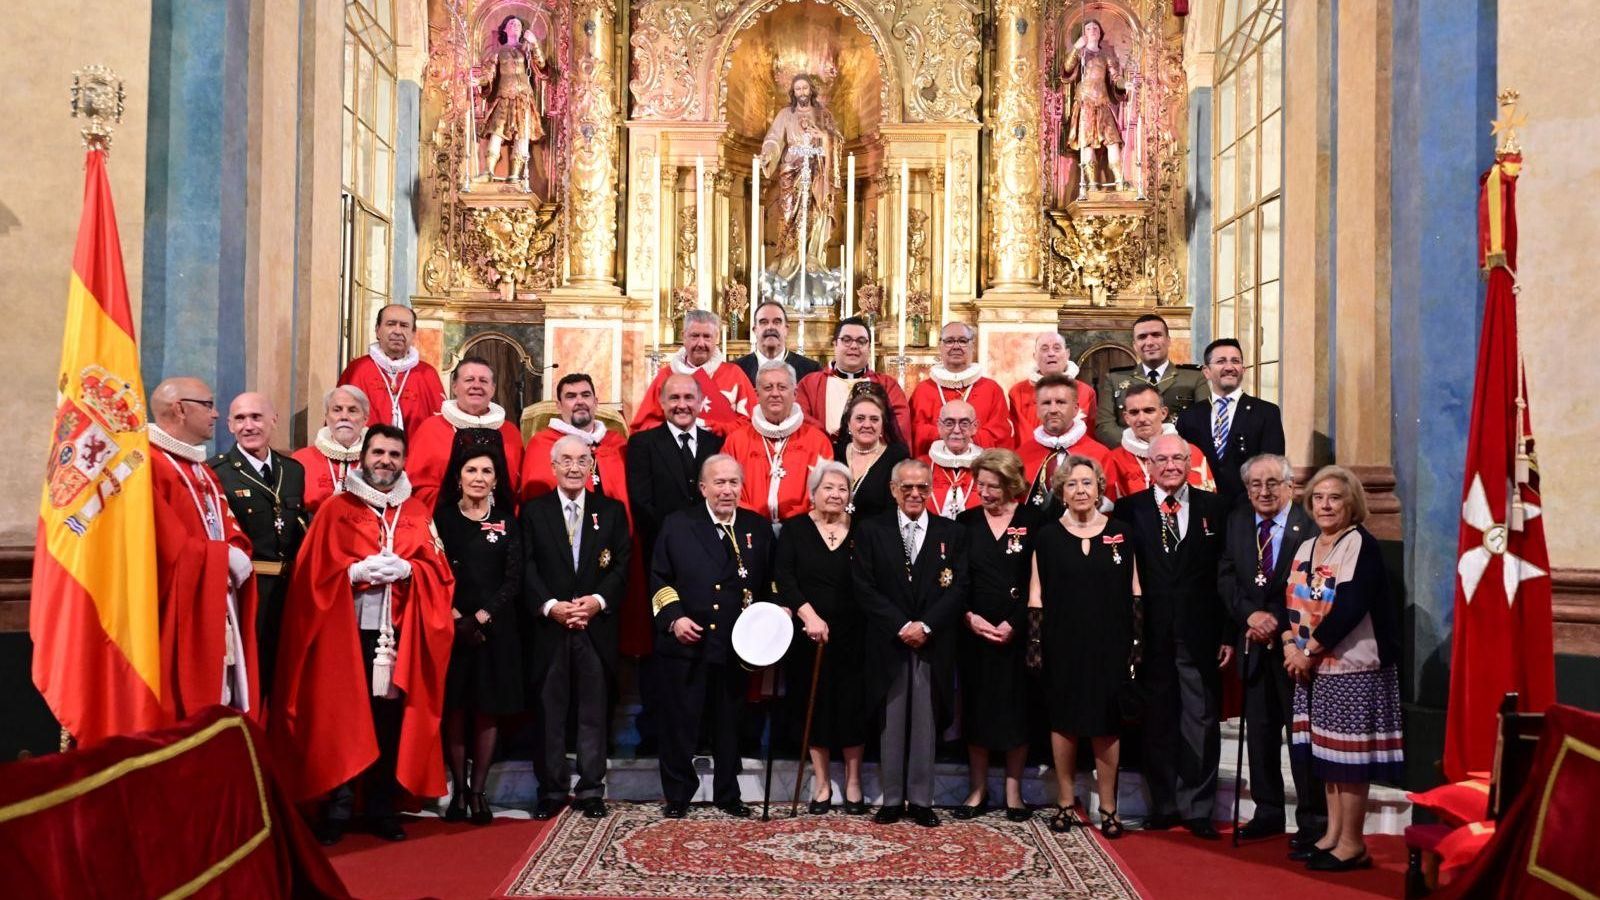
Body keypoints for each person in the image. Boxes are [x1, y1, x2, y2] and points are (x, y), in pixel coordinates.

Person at [269, 425, 455, 845]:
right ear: (363, 456)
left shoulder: (415, 512)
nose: (385, 461)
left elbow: (440, 573)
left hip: (397, 636)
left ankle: (381, 808)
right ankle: (338, 807)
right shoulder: (336, 508)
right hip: (345, 635)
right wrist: (350, 573)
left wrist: (411, 570)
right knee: (342, 720)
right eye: (378, 452)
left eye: (394, 454)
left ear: (404, 461)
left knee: (388, 722)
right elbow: (309, 575)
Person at [1283, 466, 1403, 872]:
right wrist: (1291, 645)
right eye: (1318, 498)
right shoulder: (1307, 545)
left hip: (1355, 668)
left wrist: (1308, 650)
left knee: (1349, 762)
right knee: (1328, 758)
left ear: (1352, 504)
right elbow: (1291, 602)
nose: (1326, 505)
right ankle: (1333, 835)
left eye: (1335, 498)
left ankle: (1352, 842)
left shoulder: (1360, 545)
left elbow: (1350, 607)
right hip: (1315, 667)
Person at [1112, 433, 1231, 839]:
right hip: (1149, 635)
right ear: (1148, 465)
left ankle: (1198, 809)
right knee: (1157, 722)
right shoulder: (1128, 510)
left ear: (1189, 462)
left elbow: (1225, 576)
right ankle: (1163, 805)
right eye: (1161, 460)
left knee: (1200, 720)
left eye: (1177, 459)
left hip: (1201, 634)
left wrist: (1228, 633)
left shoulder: (1215, 508)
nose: (1170, 466)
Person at [648, 455, 777, 819]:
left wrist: (774, 616)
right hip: (686, 642)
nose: (727, 490)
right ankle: (678, 795)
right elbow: (659, 578)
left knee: (729, 723)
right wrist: (675, 619)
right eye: (719, 483)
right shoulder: (678, 525)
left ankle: (728, 793)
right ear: (703, 487)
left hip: (736, 646)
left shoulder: (756, 528)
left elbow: (771, 583)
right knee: (680, 723)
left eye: (734, 482)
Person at [853, 458, 969, 828]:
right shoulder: (872, 530)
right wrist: (901, 625)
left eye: (922, 487)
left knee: (925, 721)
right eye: (907, 487)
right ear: (893, 490)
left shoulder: (952, 532)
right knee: (891, 720)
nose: (915, 494)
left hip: (932, 642)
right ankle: (891, 799)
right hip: (889, 640)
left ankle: (920, 800)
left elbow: (960, 587)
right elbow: (863, 586)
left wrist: (927, 626)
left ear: (931, 489)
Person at [521, 436, 632, 821]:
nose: (573, 467)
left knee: (593, 711)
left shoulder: (611, 511)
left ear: (591, 467)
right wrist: (550, 606)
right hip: (550, 627)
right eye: (565, 460)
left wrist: (596, 602)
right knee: (549, 711)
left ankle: (590, 790)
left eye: (582, 460)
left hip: (594, 627)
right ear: (552, 466)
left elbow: (622, 564)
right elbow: (526, 567)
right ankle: (551, 790)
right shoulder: (534, 512)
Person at [1029, 455, 1139, 838]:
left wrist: (1136, 644)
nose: (1080, 490)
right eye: (1072, 484)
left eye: (1087, 483)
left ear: (1099, 489)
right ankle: (1064, 800)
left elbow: (1135, 590)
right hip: (1062, 642)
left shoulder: (1122, 532)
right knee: (1064, 723)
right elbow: (1036, 594)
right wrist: (1036, 647)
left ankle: (1108, 807)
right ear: (1061, 491)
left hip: (1111, 643)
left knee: (1106, 725)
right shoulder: (1047, 536)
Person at [1217, 453, 1325, 845]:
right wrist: (1249, 615)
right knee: (1260, 735)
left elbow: (1311, 583)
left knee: (1300, 738)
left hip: (1296, 649)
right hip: (1253, 644)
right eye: (1255, 485)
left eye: (1272, 483)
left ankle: (1312, 820)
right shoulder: (1238, 521)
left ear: (1290, 486)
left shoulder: (1310, 526)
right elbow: (1226, 576)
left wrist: (1272, 619)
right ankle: (1268, 811)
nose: (1264, 492)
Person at [147, 377, 259, 719]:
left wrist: (236, 548)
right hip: (175, 610)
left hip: (217, 598)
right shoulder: (149, 464)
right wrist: (220, 558)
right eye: (208, 405)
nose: (216, 414)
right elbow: (162, 545)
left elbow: (225, 523)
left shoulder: (201, 469)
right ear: (180, 409)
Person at [434, 438, 523, 827]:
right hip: (451, 627)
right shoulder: (441, 519)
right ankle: (457, 788)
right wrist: (458, 618)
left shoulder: (507, 520)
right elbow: (434, 571)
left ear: (496, 479)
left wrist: (483, 616)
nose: (478, 477)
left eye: (487, 471)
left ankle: (478, 791)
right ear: (458, 477)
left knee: (487, 710)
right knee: (455, 709)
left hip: (495, 630)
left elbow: (514, 577)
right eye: (471, 470)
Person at [776, 462, 869, 815]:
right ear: (813, 492)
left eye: (843, 489)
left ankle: (854, 782)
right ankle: (821, 783)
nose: (835, 494)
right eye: (828, 488)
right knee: (814, 706)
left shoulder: (863, 529)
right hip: (809, 633)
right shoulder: (794, 529)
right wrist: (809, 615)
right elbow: (784, 577)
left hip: (855, 634)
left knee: (853, 705)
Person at [954, 450, 1040, 822]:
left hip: (1016, 634)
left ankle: (1013, 791)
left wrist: (1015, 622)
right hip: (974, 633)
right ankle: (977, 789)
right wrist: (968, 617)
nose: (985, 493)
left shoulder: (1034, 521)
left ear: (1011, 485)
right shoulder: (965, 522)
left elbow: (1039, 580)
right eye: (981, 485)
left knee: (1016, 712)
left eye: (993, 486)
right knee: (977, 711)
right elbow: (956, 579)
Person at [209, 392, 307, 702]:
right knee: (249, 676)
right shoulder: (217, 473)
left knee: (285, 676)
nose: (248, 426)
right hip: (247, 590)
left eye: (256, 417)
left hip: (289, 591)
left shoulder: (293, 471)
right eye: (240, 419)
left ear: (273, 420)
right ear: (229, 425)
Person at [758, 75, 843, 312]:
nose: (802, 92)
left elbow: (836, 139)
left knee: (816, 213)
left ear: (811, 90)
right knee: (789, 216)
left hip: (817, 171)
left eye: (805, 88)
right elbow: (774, 138)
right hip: (791, 171)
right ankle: (788, 259)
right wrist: (768, 154)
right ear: (793, 92)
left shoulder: (823, 114)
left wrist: (824, 138)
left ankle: (813, 256)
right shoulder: (785, 114)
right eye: (798, 89)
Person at [722, 360, 835, 526]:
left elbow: (824, 491)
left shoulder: (817, 441)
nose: (775, 393)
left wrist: (793, 524)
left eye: (782, 387)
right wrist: (755, 521)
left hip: (802, 529)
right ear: (756, 394)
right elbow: (726, 488)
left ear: (795, 393)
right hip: (747, 527)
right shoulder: (736, 441)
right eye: (768, 388)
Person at [1176, 338, 1286, 509]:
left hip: (1248, 508)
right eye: (1221, 361)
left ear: (1243, 369)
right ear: (1206, 371)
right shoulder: (1189, 416)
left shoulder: (1266, 412)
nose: (1229, 367)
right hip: (1199, 508)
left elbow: (1273, 466)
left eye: (1235, 361)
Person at [407, 356, 524, 509]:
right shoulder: (430, 429)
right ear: (454, 387)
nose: (476, 386)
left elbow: (518, 489)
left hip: (500, 518)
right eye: (469, 380)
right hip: (443, 516)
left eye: (483, 381)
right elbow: (415, 487)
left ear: (493, 389)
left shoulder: (510, 432)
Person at [631, 309, 756, 437]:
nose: (700, 343)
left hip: (725, 448)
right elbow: (643, 427)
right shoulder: (666, 376)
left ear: (717, 338)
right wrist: (677, 429)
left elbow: (752, 425)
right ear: (683, 336)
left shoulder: (733, 374)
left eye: (707, 336)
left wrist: (712, 426)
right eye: (695, 336)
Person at [1094, 314, 1207, 446]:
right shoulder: (1115, 379)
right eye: (1142, 337)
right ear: (1134, 345)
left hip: (1179, 453)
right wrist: (1138, 447)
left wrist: (1170, 449)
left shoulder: (1194, 378)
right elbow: (1104, 427)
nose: (1149, 342)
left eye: (1156, 335)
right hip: (1130, 454)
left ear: (1168, 340)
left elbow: (1204, 422)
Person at [796, 316, 912, 440]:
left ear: (869, 347)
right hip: (824, 450)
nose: (854, 346)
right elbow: (800, 419)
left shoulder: (887, 385)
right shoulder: (810, 384)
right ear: (835, 344)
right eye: (847, 340)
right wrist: (828, 439)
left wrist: (867, 440)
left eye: (861, 341)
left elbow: (900, 425)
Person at [520, 372, 630, 502]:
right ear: (559, 406)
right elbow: (535, 501)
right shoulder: (541, 444)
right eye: (571, 396)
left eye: (586, 395)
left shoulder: (616, 443)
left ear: (595, 402)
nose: (580, 401)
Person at [909, 322, 1012, 456]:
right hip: (933, 465)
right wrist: (945, 434)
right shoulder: (923, 390)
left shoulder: (991, 389)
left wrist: (965, 437)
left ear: (972, 346)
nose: (956, 346)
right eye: (949, 341)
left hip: (980, 465)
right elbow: (913, 431)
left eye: (963, 341)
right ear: (940, 346)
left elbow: (1000, 432)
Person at [337, 305, 444, 432]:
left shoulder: (427, 374)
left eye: (404, 325)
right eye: (391, 324)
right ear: (377, 330)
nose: (397, 331)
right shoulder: (357, 370)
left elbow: (440, 430)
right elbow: (338, 419)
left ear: (413, 333)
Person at [1016, 373, 1111, 509]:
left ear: (1075, 409)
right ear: (1037, 409)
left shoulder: (1100, 455)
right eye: (1046, 403)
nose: (1053, 410)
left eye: (1060, 402)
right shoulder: (1021, 456)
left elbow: (1107, 508)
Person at [1105, 382, 1215, 498]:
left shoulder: (1191, 452)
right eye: (1134, 412)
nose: (1141, 418)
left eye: (1149, 410)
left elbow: (1206, 502)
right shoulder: (1114, 459)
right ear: (1127, 418)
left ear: (1163, 413)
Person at [477, 15, 550, 189]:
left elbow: (541, 65)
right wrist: (478, 81)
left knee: (522, 134)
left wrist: (534, 43)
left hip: (523, 97)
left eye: (518, 24)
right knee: (497, 132)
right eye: (511, 23)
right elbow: (488, 74)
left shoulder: (526, 50)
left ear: (522, 30)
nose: (515, 26)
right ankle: (488, 171)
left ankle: (515, 175)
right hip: (504, 96)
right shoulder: (497, 52)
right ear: (505, 29)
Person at [1060, 19, 1129, 189]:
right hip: (1085, 103)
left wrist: (1124, 84)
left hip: (1103, 103)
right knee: (1087, 143)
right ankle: (1091, 184)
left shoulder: (1106, 56)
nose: (1092, 30)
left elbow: (1116, 78)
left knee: (1113, 141)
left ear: (1100, 33)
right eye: (1089, 28)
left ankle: (1119, 180)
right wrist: (1076, 47)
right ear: (1084, 33)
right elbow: (1067, 68)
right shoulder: (1081, 53)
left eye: (1096, 27)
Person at [835, 385, 910, 520]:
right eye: (860, 418)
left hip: (879, 531)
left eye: (874, 419)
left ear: (883, 425)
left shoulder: (897, 457)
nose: (867, 425)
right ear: (848, 423)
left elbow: (898, 511)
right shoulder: (835, 453)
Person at [292, 386, 369, 514]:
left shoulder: (379, 461)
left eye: (352, 410)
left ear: (365, 419)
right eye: (337, 410)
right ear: (327, 417)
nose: (344, 416)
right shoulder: (300, 460)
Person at [1008, 331, 1097, 438]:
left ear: (1067, 354)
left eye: (1057, 348)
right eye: (1044, 349)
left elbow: (1089, 435)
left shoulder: (1086, 392)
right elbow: (1020, 435)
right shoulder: (1018, 392)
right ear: (1035, 356)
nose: (1051, 353)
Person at [922, 399, 984, 518]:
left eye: (964, 423)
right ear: (939, 426)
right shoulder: (921, 465)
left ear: (974, 427)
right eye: (949, 423)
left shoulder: (988, 467)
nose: (956, 430)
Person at [735, 301, 822, 386]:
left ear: (786, 329)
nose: (770, 327)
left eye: (777, 322)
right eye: (764, 322)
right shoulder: (737, 370)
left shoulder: (810, 371)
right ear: (755, 330)